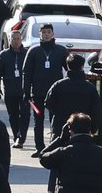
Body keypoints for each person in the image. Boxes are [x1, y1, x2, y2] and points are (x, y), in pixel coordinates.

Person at [22, 23, 70, 155]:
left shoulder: (60, 50)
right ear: (40, 34)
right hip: (38, 92)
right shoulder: (34, 51)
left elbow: (70, 69)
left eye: (49, 32)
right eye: (44, 32)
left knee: (56, 120)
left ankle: (54, 146)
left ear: (53, 34)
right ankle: (40, 147)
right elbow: (26, 72)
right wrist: (26, 91)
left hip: (56, 93)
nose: (46, 34)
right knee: (38, 121)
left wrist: (68, 87)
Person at [43, 53, 102, 139]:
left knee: (59, 150)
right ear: (82, 67)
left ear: (68, 66)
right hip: (83, 129)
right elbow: (96, 110)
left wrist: (60, 113)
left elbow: (48, 103)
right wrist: (93, 129)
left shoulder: (58, 85)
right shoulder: (90, 87)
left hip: (61, 126)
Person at [0, 28, 30, 147]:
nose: (16, 41)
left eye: (18, 39)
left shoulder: (27, 53)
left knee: (25, 114)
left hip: (25, 91)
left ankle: (21, 137)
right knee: (13, 115)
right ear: (10, 40)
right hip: (10, 90)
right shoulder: (4, 55)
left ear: (21, 39)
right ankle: (16, 135)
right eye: (13, 39)